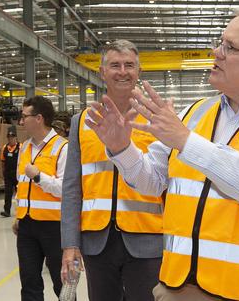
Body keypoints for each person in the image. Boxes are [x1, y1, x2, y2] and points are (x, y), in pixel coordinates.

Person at [85, 7, 239, 300]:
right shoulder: (195, 113)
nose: (216, 52)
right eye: (220, 42)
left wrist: (187, 142)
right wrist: (122, 148)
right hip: (178, 286)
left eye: (230, 47)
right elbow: (151, 181)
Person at [61, 40, 163, 301]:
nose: (122, 71)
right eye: (115, 65)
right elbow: (72, 187)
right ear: (102, 71)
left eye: (129, 65)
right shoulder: (82, 122)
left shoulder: (157, 120)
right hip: (97, 240)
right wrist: (70, 244)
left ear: (138, 72)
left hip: (147, 239)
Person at [13, 96, 68, 300]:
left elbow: (65, 189)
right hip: (27, 226)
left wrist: (38, 177)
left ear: (39, 118)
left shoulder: (63, 148)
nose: (21, 121)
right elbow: (21, 185)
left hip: (54, 227)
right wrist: (19, 215)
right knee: (29, 282)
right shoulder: (24, 147)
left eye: (24, 116)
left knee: (62, 283)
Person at [0, 127, 21, 217]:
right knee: (8, 193)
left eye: (12, 137)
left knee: (20, 194)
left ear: (15, 137)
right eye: (9, 137)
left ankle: (21, 211)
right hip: (8, 174)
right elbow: (2, 161)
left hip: (17, 174)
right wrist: (2, 173)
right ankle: (7, 211)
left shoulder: (21, 146)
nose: (10, 139)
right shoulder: (5, 147)